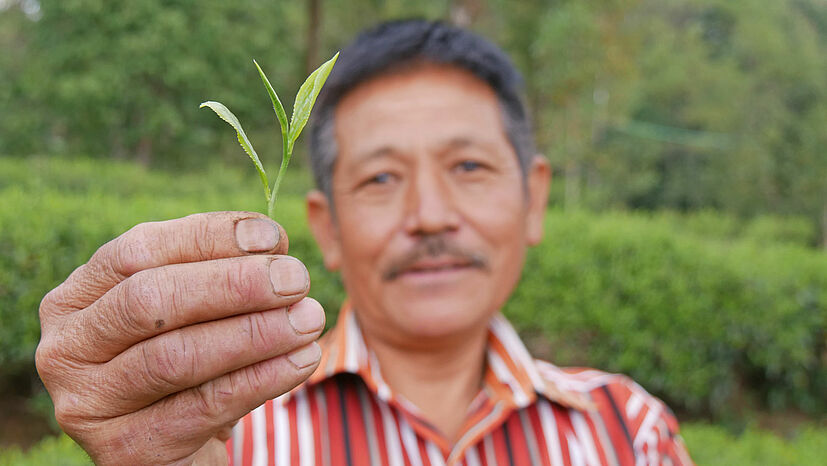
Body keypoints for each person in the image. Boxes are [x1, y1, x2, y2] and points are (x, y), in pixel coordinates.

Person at [36, 20, 692, 466]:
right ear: (326, 227)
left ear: (533, 198)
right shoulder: (230, 432)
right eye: (380, 177)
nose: (430, 216)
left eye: (468, 167)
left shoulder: (624, 431)